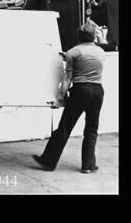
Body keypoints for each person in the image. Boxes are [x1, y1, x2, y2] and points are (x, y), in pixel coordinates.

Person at [33, 23, 105, 174]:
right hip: (97, 91)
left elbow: (67, 78)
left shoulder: (73, 53)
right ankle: (88, 165)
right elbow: (88, 59)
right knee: (91, 129)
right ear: (93, 36)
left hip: (80, 91)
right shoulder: (100, 52)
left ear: (78, 36)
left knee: (65, 127)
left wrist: (61, 96)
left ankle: (48, 161)